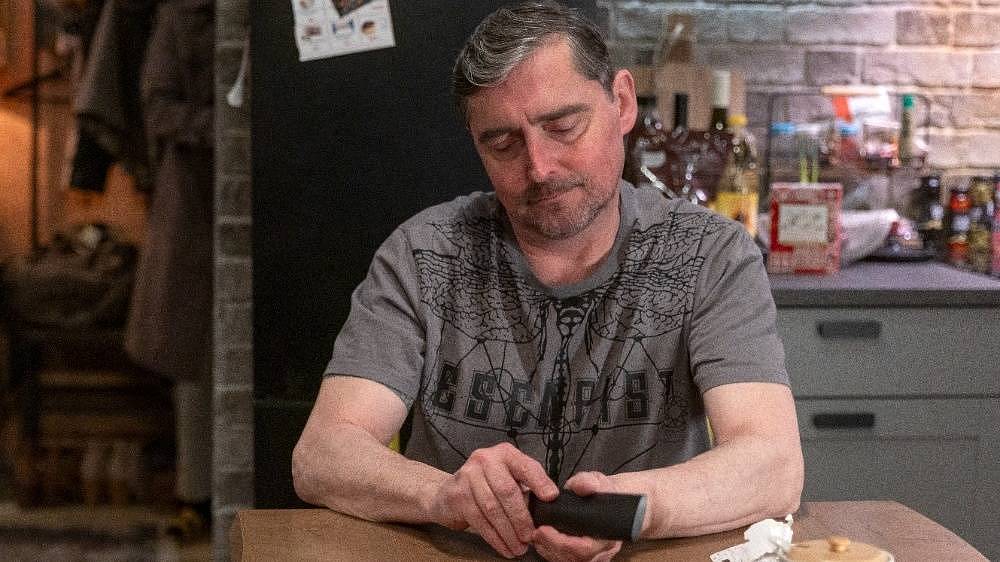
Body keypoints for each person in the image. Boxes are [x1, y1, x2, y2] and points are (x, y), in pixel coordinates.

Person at [292, 2, 803, 560]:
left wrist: (633, 508)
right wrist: (443, 495)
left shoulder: (709, 254)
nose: (539, 167)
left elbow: (773, 464)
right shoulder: (423, 254)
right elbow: (322, 455)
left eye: (562, 127)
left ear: (622, 103)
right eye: (503, 144)